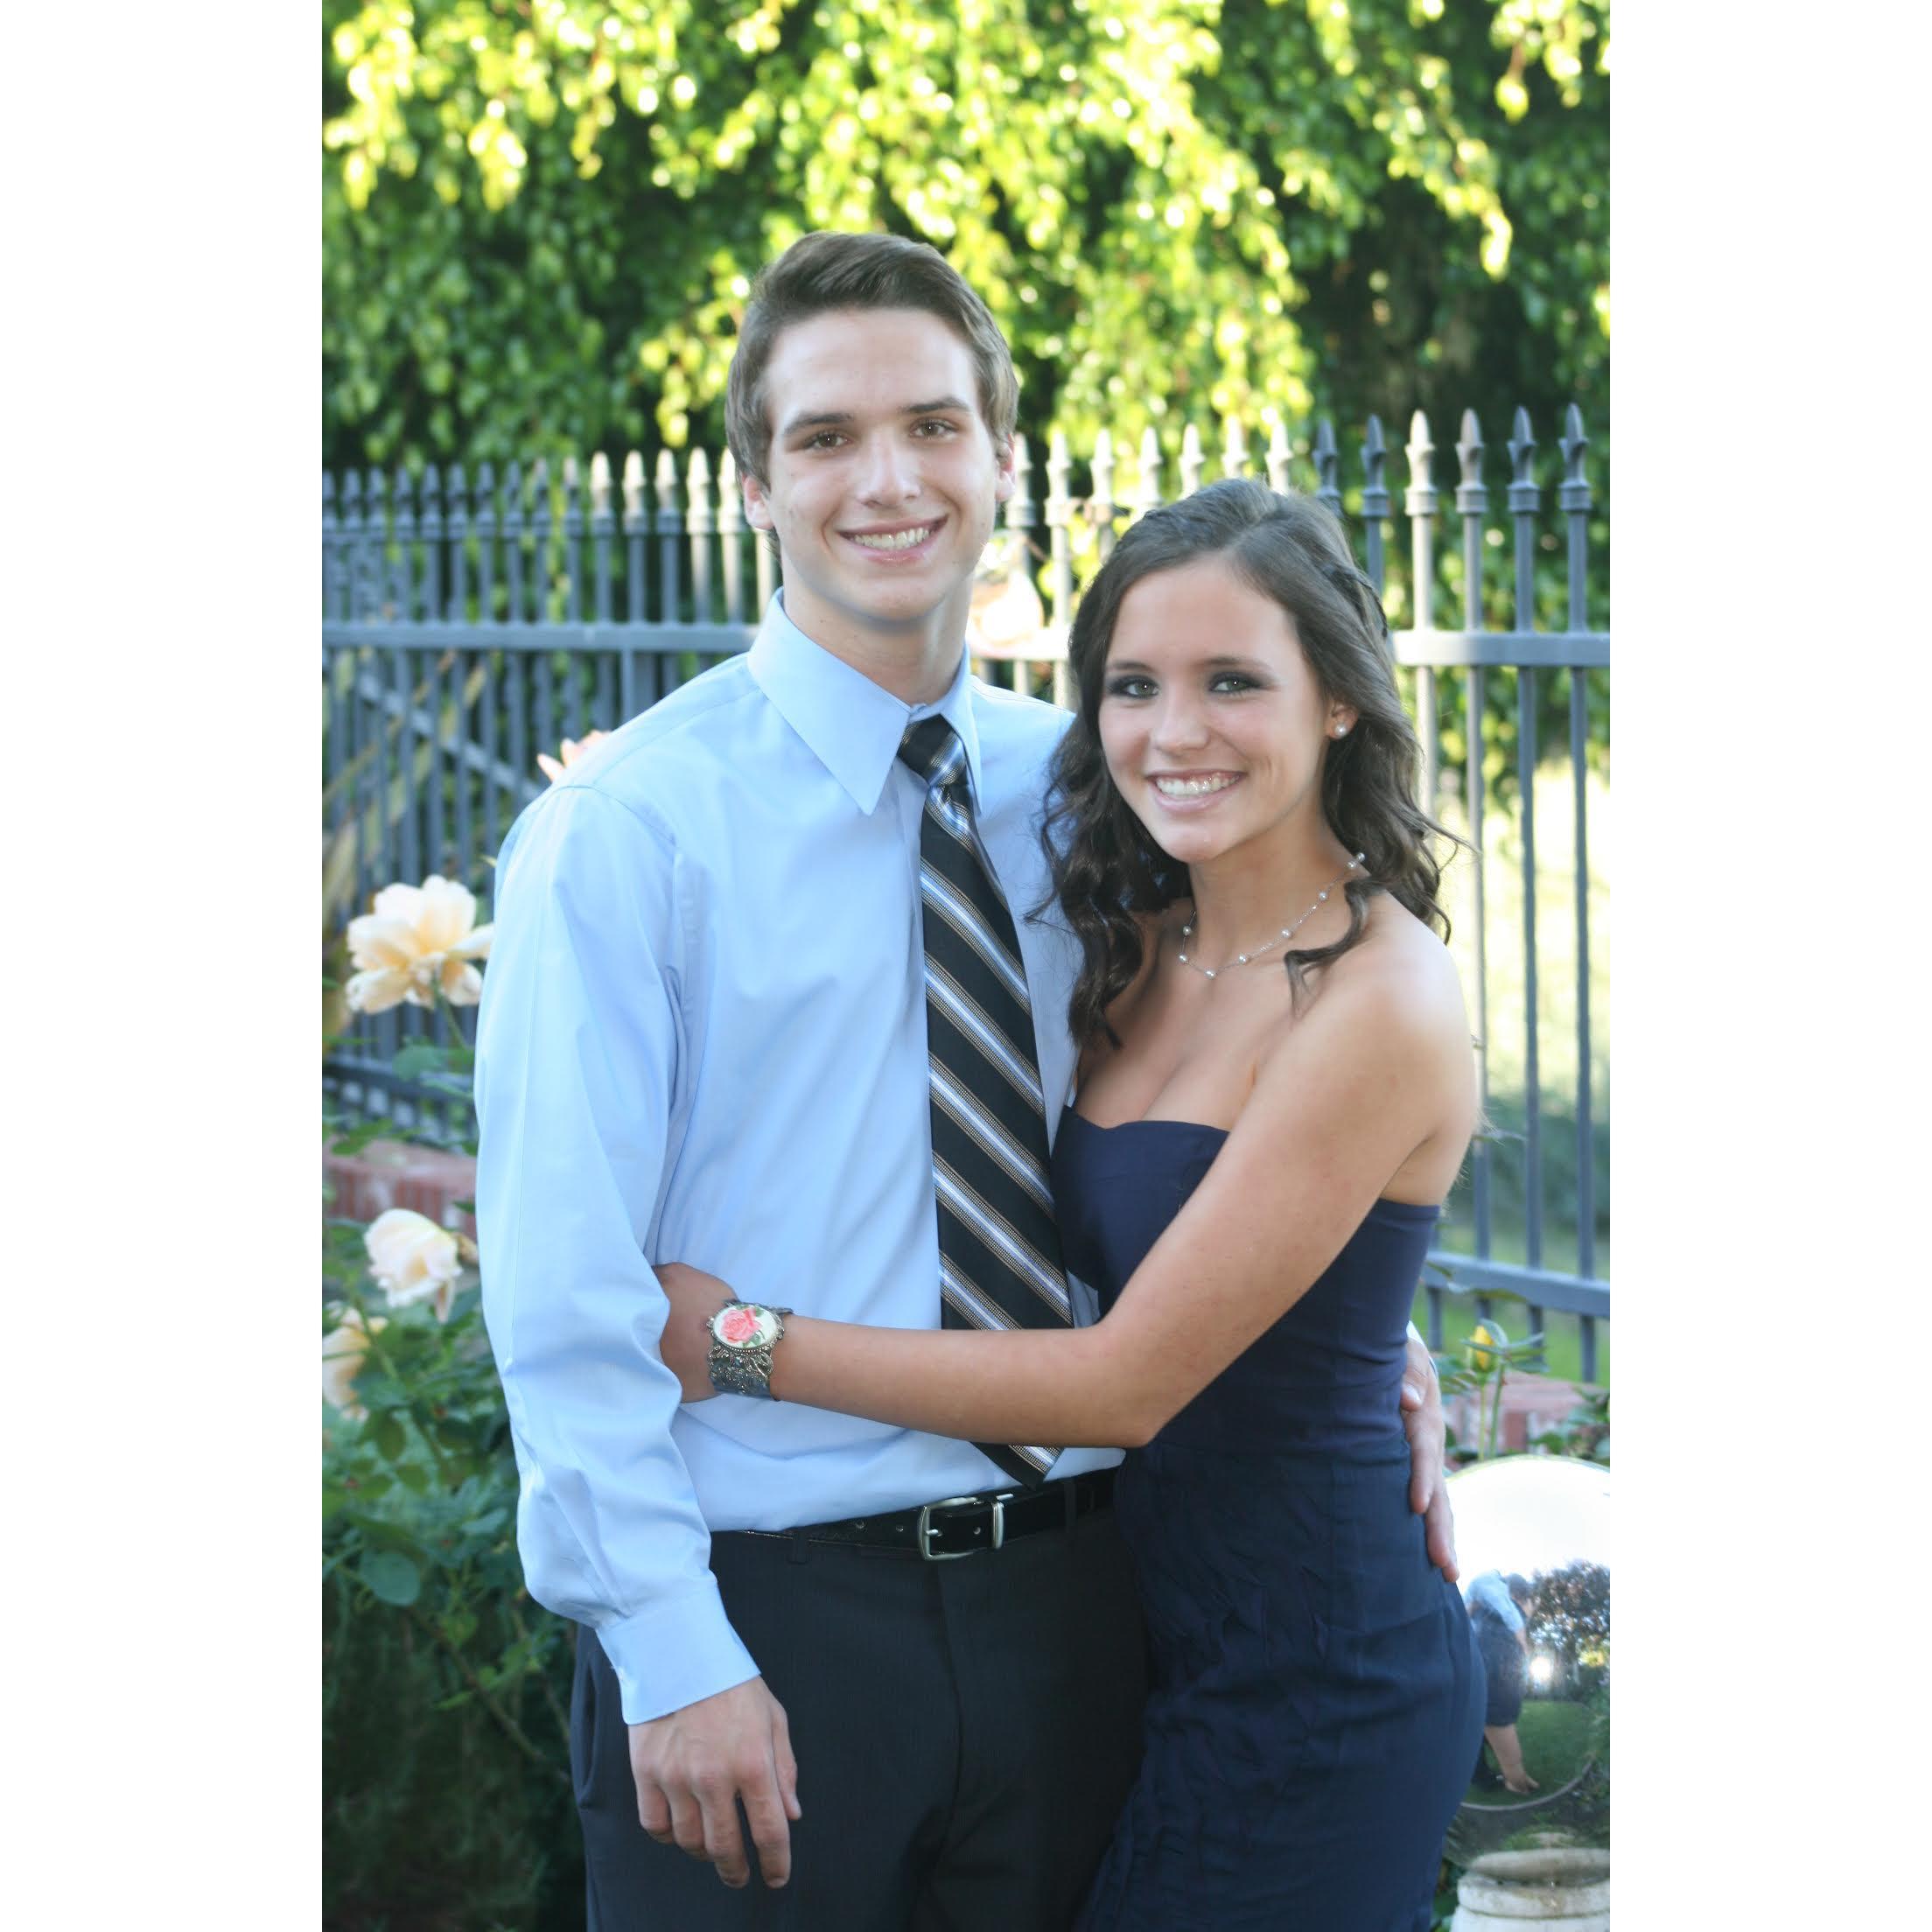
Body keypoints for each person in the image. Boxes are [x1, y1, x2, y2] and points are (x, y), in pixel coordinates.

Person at [475, 229, 1453, 1932]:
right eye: (826, 437)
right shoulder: (626, 833)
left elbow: (1225, 1111)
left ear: (1005, 455)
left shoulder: (1098, 795)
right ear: (755, 484)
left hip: (1083, 1625)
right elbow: (562, 1293)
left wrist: (1359, 1321)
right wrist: (669, 1648)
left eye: (934, 425)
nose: (888, 479)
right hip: (773, 1630)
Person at [656, 474, 1489, 1928]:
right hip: (1131, 1646)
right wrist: (1374, 1346)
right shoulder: (1137, 931)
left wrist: (734, 1342)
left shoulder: (1379, 998)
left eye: (1232, 680)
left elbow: (1121, 1381)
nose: (1175, 732)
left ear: (1338, 699)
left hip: (1318, 1680)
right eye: (1131, 685)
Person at [1467, 1571, 1540, 1794]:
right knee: (1498, 1714)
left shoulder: (1481, 1609)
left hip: (1477, 1656)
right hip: (1496, 1655)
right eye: (1531, 1606)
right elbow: (1497, 1714)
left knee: (1481, 1721)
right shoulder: (1504, 1611)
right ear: (1521, 1597)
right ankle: (1516, 1781)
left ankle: (1505, 1775)